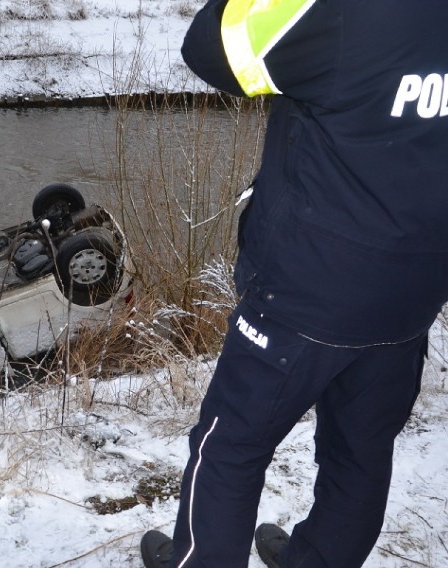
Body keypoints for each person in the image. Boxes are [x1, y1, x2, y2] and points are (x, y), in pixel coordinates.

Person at [139, 1, 448, 567]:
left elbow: (213, 49)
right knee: (361, 451)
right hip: (417, 286)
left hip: (308, 287)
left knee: (230, 445)